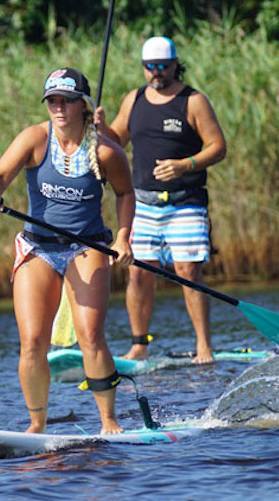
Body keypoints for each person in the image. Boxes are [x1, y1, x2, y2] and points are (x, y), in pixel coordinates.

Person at [0, 67, 135, 435]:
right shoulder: (34, 139)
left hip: (87, 246)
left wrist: (124, 237)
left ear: (83, 105)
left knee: (90, 336)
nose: (59, 108)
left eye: (66, 100)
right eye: (52, 101)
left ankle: (109, 421)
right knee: (32, 341)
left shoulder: (106, 151)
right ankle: (37, 423)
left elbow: (125, 194)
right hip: (38, 248)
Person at [94, 36, 227, 364]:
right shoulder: (135, 99)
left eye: (162, 67)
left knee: (187, 271)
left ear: (174, 64)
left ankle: (203, 347)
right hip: (144, 203)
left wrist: (185, 165)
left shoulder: (193, 101)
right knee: (139, 272)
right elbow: (117, 140)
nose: (156, 73)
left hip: (185, 201)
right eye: (150, 67)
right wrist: (99, 128)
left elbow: (217, 147)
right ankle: (140, 344)